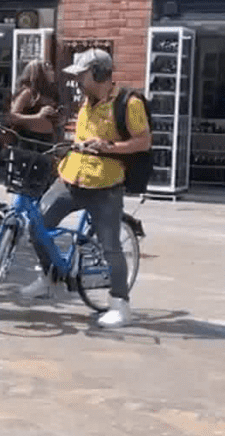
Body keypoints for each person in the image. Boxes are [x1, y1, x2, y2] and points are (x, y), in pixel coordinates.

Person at [19, 49, 148, 328]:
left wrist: (110, 147)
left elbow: (143, 141)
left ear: (99, 73)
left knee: (110, 246)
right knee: (37, 225)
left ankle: (120, 304)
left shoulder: (129, 103)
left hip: (105, 183)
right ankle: (49, 277)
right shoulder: (87, 101)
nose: (77, 79)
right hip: (70, 176)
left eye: (82, 74)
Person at [9, 59, 64, 143]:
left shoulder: (50, 93)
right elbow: (13, 117)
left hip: (48, 139)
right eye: (48, 70)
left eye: (52, 69)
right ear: (39, 73)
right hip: (29, 139)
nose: (52, 73)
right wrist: (37, 116)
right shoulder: (28, 93)